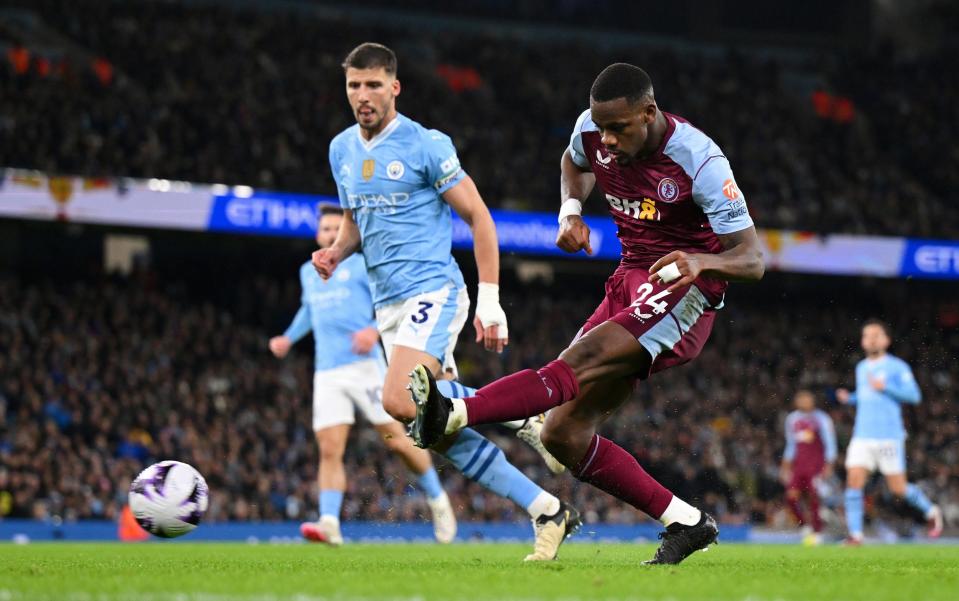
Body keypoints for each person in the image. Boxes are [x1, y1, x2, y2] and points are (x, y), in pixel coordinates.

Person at [409, 62, 765, 565]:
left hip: (683, 286)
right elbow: (573, 165)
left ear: (649, 112)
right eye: (602, 129)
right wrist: (570, 211)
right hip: (629, 277)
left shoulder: (700, 161)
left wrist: (701, 260)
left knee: (585, 358)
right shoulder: (591, 131)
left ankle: (451, 413)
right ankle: (686, 522)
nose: (609, 142)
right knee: (562, 434)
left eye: (619, 129)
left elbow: (752, 259)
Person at [312, 43, 574, 561]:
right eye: (353, 86)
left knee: (398, 402)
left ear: (394, 87)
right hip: (388, 306)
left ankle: (523, 417)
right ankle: (547, 509)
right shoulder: (341, 149)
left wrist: (490, 300)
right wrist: (336, 253)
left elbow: (479, 218)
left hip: (432, 288)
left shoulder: (426, 145)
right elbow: (354, 220)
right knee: (434, 427)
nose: (362, 95)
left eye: (372, 85)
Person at [270, 205, 456, 546]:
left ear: (343, 234)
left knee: (398, 440)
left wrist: (372, 329)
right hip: (327, 370)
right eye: (324, 229)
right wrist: (288, 337)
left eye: (334, 229)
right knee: (329, 449)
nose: (328, 234)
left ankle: (437, 499)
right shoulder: (307, 272)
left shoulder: (361, 265)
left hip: (365, 367)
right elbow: (309, 311)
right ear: (317, 235)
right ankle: (329, 522)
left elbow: (394, 302)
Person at [836, 319, 943, 544]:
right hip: (862, 435)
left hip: (888, 436)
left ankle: (931, 511)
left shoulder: (897, 367)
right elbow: (866, 394)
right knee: (854, 481)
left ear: (886, 340)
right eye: (867, 336)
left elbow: (914, 396)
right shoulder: (861, 367)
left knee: (898, 488)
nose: (871, 339)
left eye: (876, 335)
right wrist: (850, 398)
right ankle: (855, 535)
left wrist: (885, 387)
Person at [780, 390, 837, 546]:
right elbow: (791, 444)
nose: (804, 402)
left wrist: (829, 464)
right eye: (801, 399)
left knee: (813, 496)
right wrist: (785, 466)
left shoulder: (822, 419)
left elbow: (830, 442)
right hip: (799, 464)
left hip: (816, 464)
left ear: (813, 400)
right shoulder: (792, 419)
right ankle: (804, 525)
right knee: (791, 496)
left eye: (807, 399)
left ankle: (817, 531)